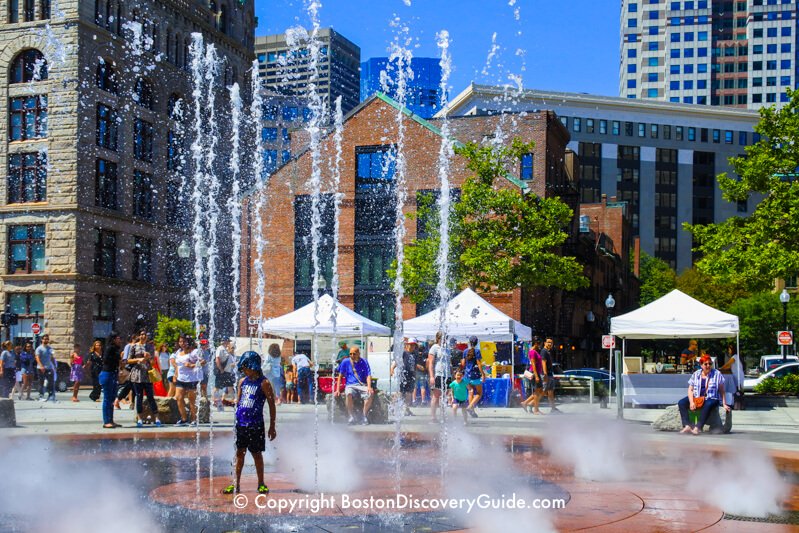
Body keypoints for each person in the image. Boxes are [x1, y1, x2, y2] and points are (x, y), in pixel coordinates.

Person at [222, 351, 277, 495]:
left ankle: (261, 483)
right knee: (239, 453)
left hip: (256, 424)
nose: (244, 371)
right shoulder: (242, 382)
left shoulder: (264, 383)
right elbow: (238, 402)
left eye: (246, 367)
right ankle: (236, 484)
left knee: (257, 454)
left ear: (254, 366)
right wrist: (229, 403)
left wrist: (272, 426)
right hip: (241, 424)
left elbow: (272, 405)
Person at [677, 354, 730, 435]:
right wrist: (691, 402)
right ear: (701, 365)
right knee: (682, 402)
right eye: (705, 364)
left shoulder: (717, 373)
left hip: (712, 398)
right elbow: (690, 389)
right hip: (697, 397)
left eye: (710, 364)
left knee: (708, 404)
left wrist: (724, 404)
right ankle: (687, 425)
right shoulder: (696, 374)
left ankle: (698, 427)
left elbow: (722, 390)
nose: (708, 366)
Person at [334, 346, 375, 425]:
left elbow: (368, 375)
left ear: (358, 354)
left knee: (370, 394)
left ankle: (364, 415)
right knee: (348, 394)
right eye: (350, 354)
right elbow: (340, 376)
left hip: (362, 385)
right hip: (350, 385)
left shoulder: (364, 362)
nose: (352, 355)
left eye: (354, 354)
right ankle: (351, 416)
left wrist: (369, 387)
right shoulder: (345, 362)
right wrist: (337, 390)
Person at [129, 331, 160, 427]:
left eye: (145, 334)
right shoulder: (134, 346)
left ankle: (157, 418)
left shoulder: (150, 347)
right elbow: (129, 360)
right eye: (141, 334)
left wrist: (148, 358)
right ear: (139, 335)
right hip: (137, 374)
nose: (143, 336)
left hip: (147, 374)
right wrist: (138, 359)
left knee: (150, 396)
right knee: (139, 397)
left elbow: (152, 363)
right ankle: (139, 418)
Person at [174, 336, 201, 426]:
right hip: (180, 379)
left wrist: (192, 365)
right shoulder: (178, 352)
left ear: (188, 342)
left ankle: (194, 419)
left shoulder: (193, 352)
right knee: (178, 398)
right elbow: (178, 365)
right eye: (180, 341)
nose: (182, 343)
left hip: (191, 379)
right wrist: (175, 374)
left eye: (184, 341)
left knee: (192, 400)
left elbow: (203, 362)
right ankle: (184, 418)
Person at [100, 332, 123, 429]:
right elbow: (106, 360)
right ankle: (106, 421)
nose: (120, 340)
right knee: (107, 398)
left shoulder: (115, 349)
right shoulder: (110, 348)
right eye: (118, 338)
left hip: (112, 374)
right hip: (107, 374)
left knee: (112, 398)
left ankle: (111, 420)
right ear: (113, 339)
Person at [427, 332, 450, 422]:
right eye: (443, 338)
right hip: (438, 374)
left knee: (445, 396)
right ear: (438, 338)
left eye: (445, 338)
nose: (444, 340)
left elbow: (449, 363)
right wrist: (431, 376)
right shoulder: (434, 348)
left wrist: (451, 374)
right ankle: (433, 416)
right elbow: (430, 363)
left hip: (447, 375)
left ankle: (443, 416)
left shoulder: (447, 348)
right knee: (436, 396)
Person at [390, 339, 416, 416]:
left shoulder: (414, 354)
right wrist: (392, 368)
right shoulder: (404, 353)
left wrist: (415, 375)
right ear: (407, 345)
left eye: (413, 345)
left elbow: (414, 366)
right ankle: (392, 407)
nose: (412, 346)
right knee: (400, 392)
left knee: (409, 393)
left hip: (411, 376)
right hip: (404, 375)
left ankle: (406, 409)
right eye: (410, 344)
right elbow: (398, 361)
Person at [461, 336, 485, 418]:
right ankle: (470, 406)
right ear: (477, 342)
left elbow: (463, 364)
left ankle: (472, 411)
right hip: (475, 375)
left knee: (470, 391)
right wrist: (483, 374)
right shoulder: (477, 351)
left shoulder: (465, 351)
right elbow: (478, 364)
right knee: (479, 392)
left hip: (467, 375)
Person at [718, 343, 745, 410]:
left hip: (738, 375)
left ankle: (738, 405)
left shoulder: (734, 357)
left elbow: (727, 364)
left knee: (738, 390)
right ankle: (738, 404)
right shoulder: (737, 356)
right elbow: (729, 367)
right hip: (737, 375)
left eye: (729, 349)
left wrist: (720, 369)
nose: (729, 351)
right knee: (737, 390)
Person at [521, 337, 543, 414]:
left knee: (539, 391)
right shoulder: (532, 352)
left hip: (536, 373)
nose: (540, 346)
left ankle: (526, 403)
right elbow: (533, 364)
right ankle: (535, 409)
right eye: (539, 344)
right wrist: (536, 376)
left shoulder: (534, 351)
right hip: (534, 374)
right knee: (537, 392)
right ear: (536, 343)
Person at [214, 339, 237, 410]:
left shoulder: (229, 354)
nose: (233, 349)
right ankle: (215, 400)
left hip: (228, 373)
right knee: (217, 387)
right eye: (232, 347)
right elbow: (217, 359)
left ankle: (234, 401)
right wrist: (221, 369)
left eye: (233, 348)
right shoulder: (221, 349)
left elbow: (231, 364)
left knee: (230, 387)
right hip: (222, 372)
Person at [540, 337, 559, 413]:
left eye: (551, 342)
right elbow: (543, 363)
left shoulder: (548, 352)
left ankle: (553, 408)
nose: (550, 344)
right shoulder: (544, 351)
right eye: (548, 342)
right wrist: (545, 374)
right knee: (543, 392)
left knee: (550, 393)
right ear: (544, 343)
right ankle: (531, 404)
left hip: (550, 374)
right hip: (547, 375)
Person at [35, 334, 56, 402]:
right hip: (41, 368)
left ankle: (51, 396)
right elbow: (37, 358)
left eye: (47, 339)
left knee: (51, 382)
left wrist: (54, 366)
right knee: (41, 382)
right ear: (42, 340)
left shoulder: (50, 348)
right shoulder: (39, 348)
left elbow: (52, 357)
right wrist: (41, 366)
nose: (45, 340)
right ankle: (40, 396)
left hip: (49, 368)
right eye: (44, 339)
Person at [411, 339, 428, 406]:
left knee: (414, 387)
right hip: (422, 373)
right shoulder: (425, 355)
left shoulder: (415, 354)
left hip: (415, 372)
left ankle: (413, 400)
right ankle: (423, 401)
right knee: (422, 387)